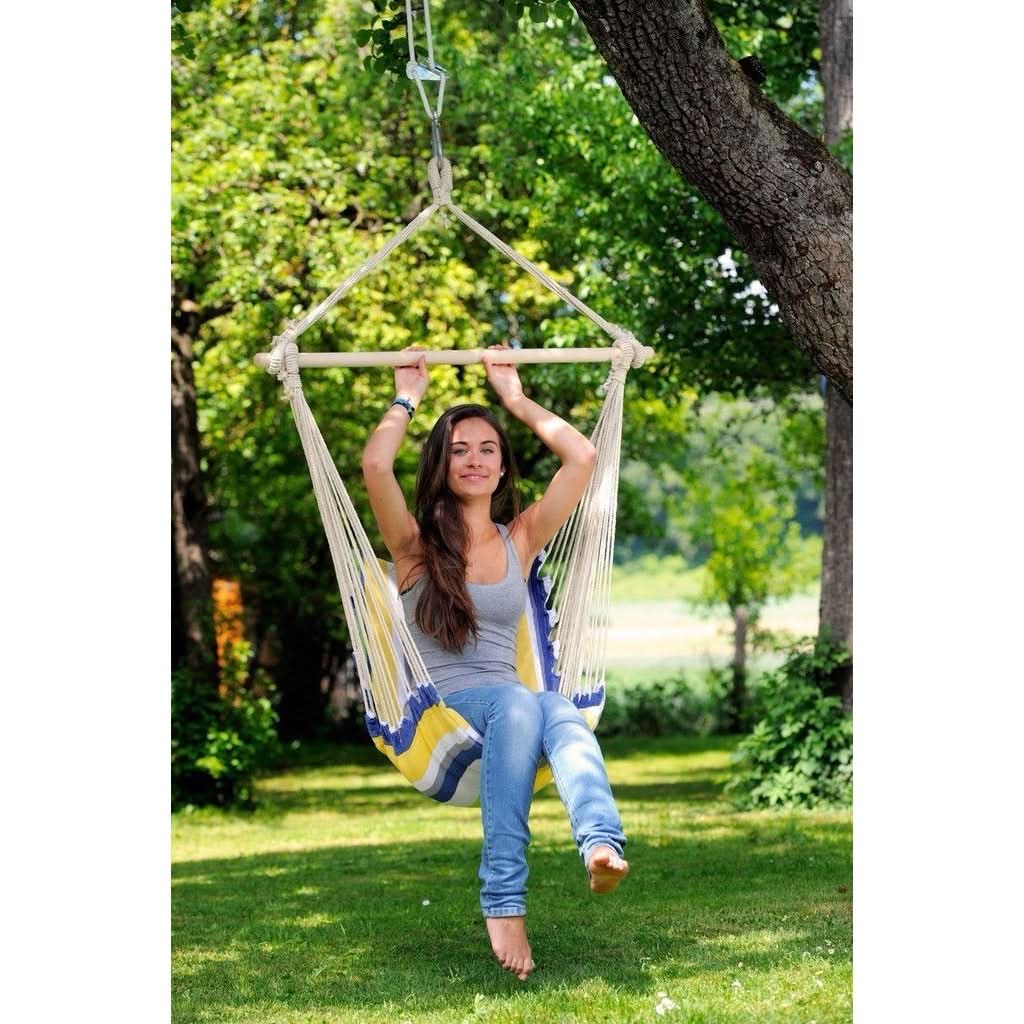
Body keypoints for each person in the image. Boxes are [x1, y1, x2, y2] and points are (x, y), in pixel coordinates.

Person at [361, 343, 629, 981]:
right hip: (448, 713)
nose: (474, 460)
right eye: (459, 449)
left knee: (557, 705)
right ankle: (503, 896)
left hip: (516, 711)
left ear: (504, 467)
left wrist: (512, 395)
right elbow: (375, 464)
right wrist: (407, 396)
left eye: (487, 449)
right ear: (441, 464)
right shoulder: (414, 546)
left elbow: (582, 456)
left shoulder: (522, 537)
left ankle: (600, 843)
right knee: (522, 701)